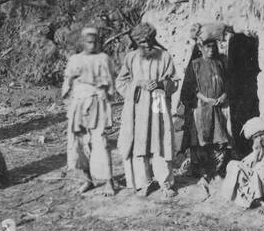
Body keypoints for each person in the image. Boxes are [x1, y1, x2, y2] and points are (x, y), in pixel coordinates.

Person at [116, 22, 178, 198]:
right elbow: (121, 82)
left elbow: (174, 82)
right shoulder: (131, 58)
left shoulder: (164, 57)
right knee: (139, 143)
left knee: (159, 140)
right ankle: (144, 182)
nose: (147, 45)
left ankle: (165, 182)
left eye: (149, 40)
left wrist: (160, 84)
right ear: (136, 42)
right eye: (142, 42)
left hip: (158, 103)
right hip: (137, 107)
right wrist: (138, 84)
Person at [62, 27, 115, 196]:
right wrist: (69, 104)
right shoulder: (75, 59)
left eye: (95, 41)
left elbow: (111, 85)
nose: (92, 45)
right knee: (78, 142)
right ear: (82, 43)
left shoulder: (103, 58)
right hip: (78, 103)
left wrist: (107, 104)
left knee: (100, 141)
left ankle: (108, 181)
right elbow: (67, 82)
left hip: (97, 102)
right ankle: (87, 179)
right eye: (88, 42)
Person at [179, 37, 230, 189]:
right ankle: (203, 173)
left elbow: (228, 83)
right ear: (200, 48)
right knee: (202, 139)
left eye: (213, 47)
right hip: (201, 107)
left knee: (219, 138)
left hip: (219, 106)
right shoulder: (195, 65)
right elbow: (190, 88)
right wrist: (205, 99)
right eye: (207, 47)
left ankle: (216, 171)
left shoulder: (220, 63)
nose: (211, 50)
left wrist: (223, 96)